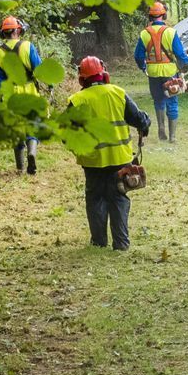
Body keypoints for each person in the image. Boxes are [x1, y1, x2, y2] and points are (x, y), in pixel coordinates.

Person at [55, 55, 152, 250]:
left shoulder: (77, 100)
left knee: (95, 198)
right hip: (119, 158)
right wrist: (146, 124)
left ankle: (98, 242)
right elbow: (139, 119)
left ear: (82, 79)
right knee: (118, 197)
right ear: (103, 73)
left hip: (92, 161)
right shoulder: (117, 93)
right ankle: (121, 243)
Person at [0, 16, 45, 175]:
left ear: (3, 33)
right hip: (29, 91)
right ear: (17, 30)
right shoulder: (28, 46)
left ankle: (20, 167)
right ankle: (32, 153)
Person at [133, 2, 188, 143]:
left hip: (153, 74)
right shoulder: (171, 32)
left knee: (158, 100)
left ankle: (161, 130)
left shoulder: (144, 34)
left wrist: (143, 67)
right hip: (170, 72)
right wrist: (185, 66)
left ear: (150, 16)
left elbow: (138, 56)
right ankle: (172, 137)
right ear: (164, 15)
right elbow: (180, 54)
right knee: (172, 101)